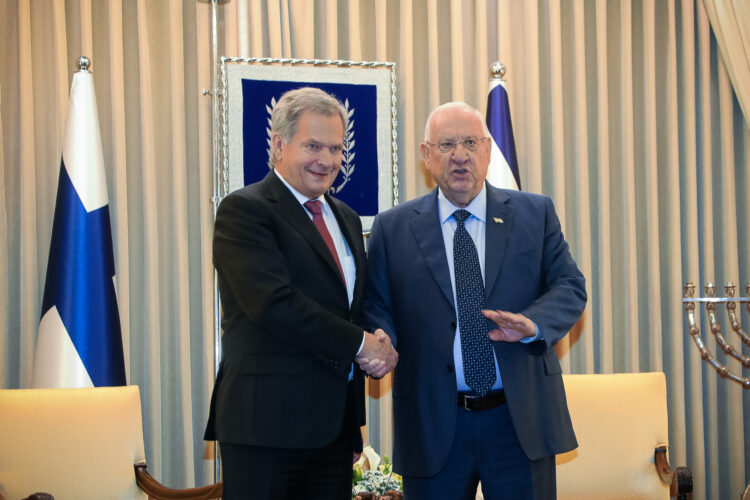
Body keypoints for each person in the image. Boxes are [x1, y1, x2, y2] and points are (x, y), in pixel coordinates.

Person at [364, 102, 587, 499]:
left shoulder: (534, 213)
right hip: (433, 423)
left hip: (519, 423)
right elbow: (377, 304)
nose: (460, 155)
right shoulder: (392, 227)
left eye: (470, 142)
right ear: (426, 154)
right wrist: (381, 341)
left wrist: (533, 324)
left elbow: (570, 286)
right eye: (446, 144)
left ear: (487, 148)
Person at [204, 87, 397, 499]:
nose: (326, 160)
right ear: (278, 145)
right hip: (266, 427)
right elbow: (274, 303)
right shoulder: (246, 210)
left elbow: (349, 307)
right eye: (313, 145)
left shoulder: (344, 216)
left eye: (335, 148)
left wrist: (381, 338)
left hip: (333, 429)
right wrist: (361, 344)